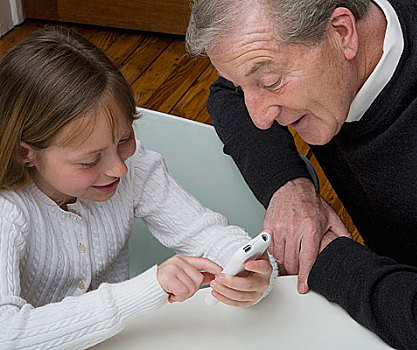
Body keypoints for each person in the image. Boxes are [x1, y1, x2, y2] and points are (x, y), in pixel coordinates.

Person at [186, 0, 417, 348]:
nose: (259, 117)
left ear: (342, 32)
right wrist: (289, 186)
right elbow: (225, 93)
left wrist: (323, 253)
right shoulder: (321, 49)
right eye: (246, 87)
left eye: (271, 81)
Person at [0, 27, 278, 349]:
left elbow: (206, 234)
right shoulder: (8, 212)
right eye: (89, 161)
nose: (118, 167)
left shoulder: (133, 168)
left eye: (124, 139)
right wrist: (148, 288)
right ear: (26, 153)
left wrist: (250, 270)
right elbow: (7, 333)